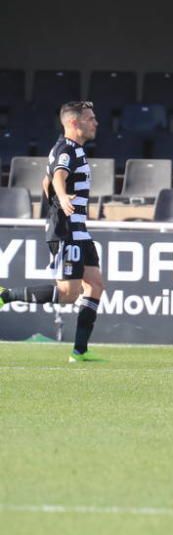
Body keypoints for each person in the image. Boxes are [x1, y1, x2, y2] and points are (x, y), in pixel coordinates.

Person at [0, 101, 106, 363]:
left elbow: (45, 179)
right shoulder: (66, 149)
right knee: (69, 294)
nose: (96, 122)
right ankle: (5, 296)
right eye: (90, 118)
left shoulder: (75, 150)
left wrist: (55, 200)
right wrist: (62, 199)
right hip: (67, 229)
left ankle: (79, 352)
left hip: (79, 229)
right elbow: (57, 176)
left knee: (94, 285)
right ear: (74, 122)